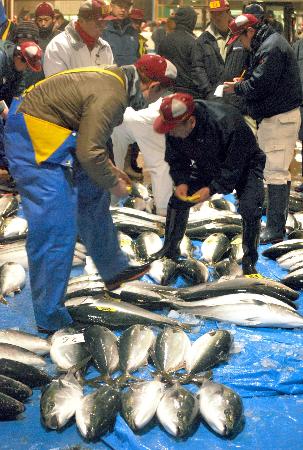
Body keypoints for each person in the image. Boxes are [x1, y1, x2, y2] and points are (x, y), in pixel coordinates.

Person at [4, 54, 177, 333]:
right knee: (56, 229)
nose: (155, 100)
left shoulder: (116, 79)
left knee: (91, 191)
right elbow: (88, 151)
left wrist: (107, 169)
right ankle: (50, 317)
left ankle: (112, 267)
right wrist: (114, 183)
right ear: (151, 86)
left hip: (58, 133)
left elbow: (90, 136)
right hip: (33, 141)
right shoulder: (114, 94)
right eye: (160, 92)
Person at [151, 92, 265, 276]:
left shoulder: (228, 123)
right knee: (178, 200)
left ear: (191, 122)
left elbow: (233, 168)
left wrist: (211, 189)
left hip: (246, 164)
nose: (169, 132)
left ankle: (249, 261)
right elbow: (176, 159)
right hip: (208, 162)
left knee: (250, 207)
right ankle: (170, 249)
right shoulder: (174, 126)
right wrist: (181, 182)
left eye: (172, 129)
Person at [224, 14, 302, 244]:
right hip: (277, 118)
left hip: (279, 118)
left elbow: (260, 84)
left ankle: (276, 229)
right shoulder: (270, 43)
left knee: (275, 173)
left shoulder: (271, 48)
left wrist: (237, 88)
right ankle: (277, 223)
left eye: (240, 38)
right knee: (278, 171)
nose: (241, 44)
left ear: (250, 31)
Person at [191, 0, 251, 127]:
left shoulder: (242, 35)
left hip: (239, 102)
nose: (216, 17)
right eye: (213, 14)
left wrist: (241, 89)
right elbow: (197, 69)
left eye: (220, 13)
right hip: (214, 104)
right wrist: (209, 93)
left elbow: (250, 64)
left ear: (228, 13)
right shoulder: (202, 40)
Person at [111, 96, 173, 216]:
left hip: (121, 119)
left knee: (114, 168)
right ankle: (162, 213)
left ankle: (111, 206)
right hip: (138, 121)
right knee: (161, 168)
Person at [43, 0, 114, 77]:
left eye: (105, 22)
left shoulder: (105, 47)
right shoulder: (58, 47)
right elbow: (55, 86)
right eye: (98, 23)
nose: (103, 27)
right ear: (81, 21)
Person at [0, 40, 42, 169]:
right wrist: (7, 114)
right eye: (27, 66)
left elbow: (18, 93)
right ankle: (6, 165)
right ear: (19, 57)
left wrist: (17, 115)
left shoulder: (19, 66)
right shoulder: (1, 58)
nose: (27, 69)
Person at [158, 6, 197, 95]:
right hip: (188, 91)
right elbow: (197, 70)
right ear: (190, 20)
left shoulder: (165, 40)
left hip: (167, 89)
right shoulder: (193, 42)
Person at [102, 0, 138, 66]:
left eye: (126, 7)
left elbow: (136, 54)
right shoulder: (102, 27)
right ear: (111, 6)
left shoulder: (133, 29)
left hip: (131, 73)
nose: (123, 10)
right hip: (111, 74)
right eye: (120, 6)